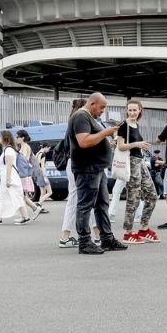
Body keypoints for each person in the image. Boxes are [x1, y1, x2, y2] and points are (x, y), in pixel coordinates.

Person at [67, 92, 127, 255]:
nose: (103, 111)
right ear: (92, 103)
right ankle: (85, 242)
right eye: (102, 107)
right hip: (87, 168)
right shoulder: (81, 116)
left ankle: (106, 239)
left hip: (96, 168)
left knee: (101, 204)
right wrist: (105, 133)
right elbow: (84, 141)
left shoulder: (90, 118)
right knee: (85, 205)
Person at [58, 99, 99, 248]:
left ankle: (66, 236)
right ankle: (97, 234)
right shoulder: (81, 122)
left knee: (75, 198)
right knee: (88, 199)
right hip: (81, 164)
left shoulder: (71, 122)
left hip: (71, 163)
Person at [116, 99, 158, 244]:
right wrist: (137, 144)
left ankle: (144, 228)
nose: (132, 112)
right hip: (131, 163)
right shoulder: (124, 126)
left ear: (140, 110)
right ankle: (128, 233)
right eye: (130, 110)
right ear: (126, 110)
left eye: (135, 110)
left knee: (152, 195)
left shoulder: (136, 124)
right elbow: (120, 146)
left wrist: (141, 147)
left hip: (140, 162)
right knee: (133, 198)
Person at [0, 130, 30, 225]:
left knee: (15, 196)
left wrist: (8, 179)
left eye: (0, 137)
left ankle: (25, 217)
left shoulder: (9, 150)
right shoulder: (7, 149)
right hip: (8, 177)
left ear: (4, 138)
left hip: (10, 177)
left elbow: (9, 165)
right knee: (5, 197)